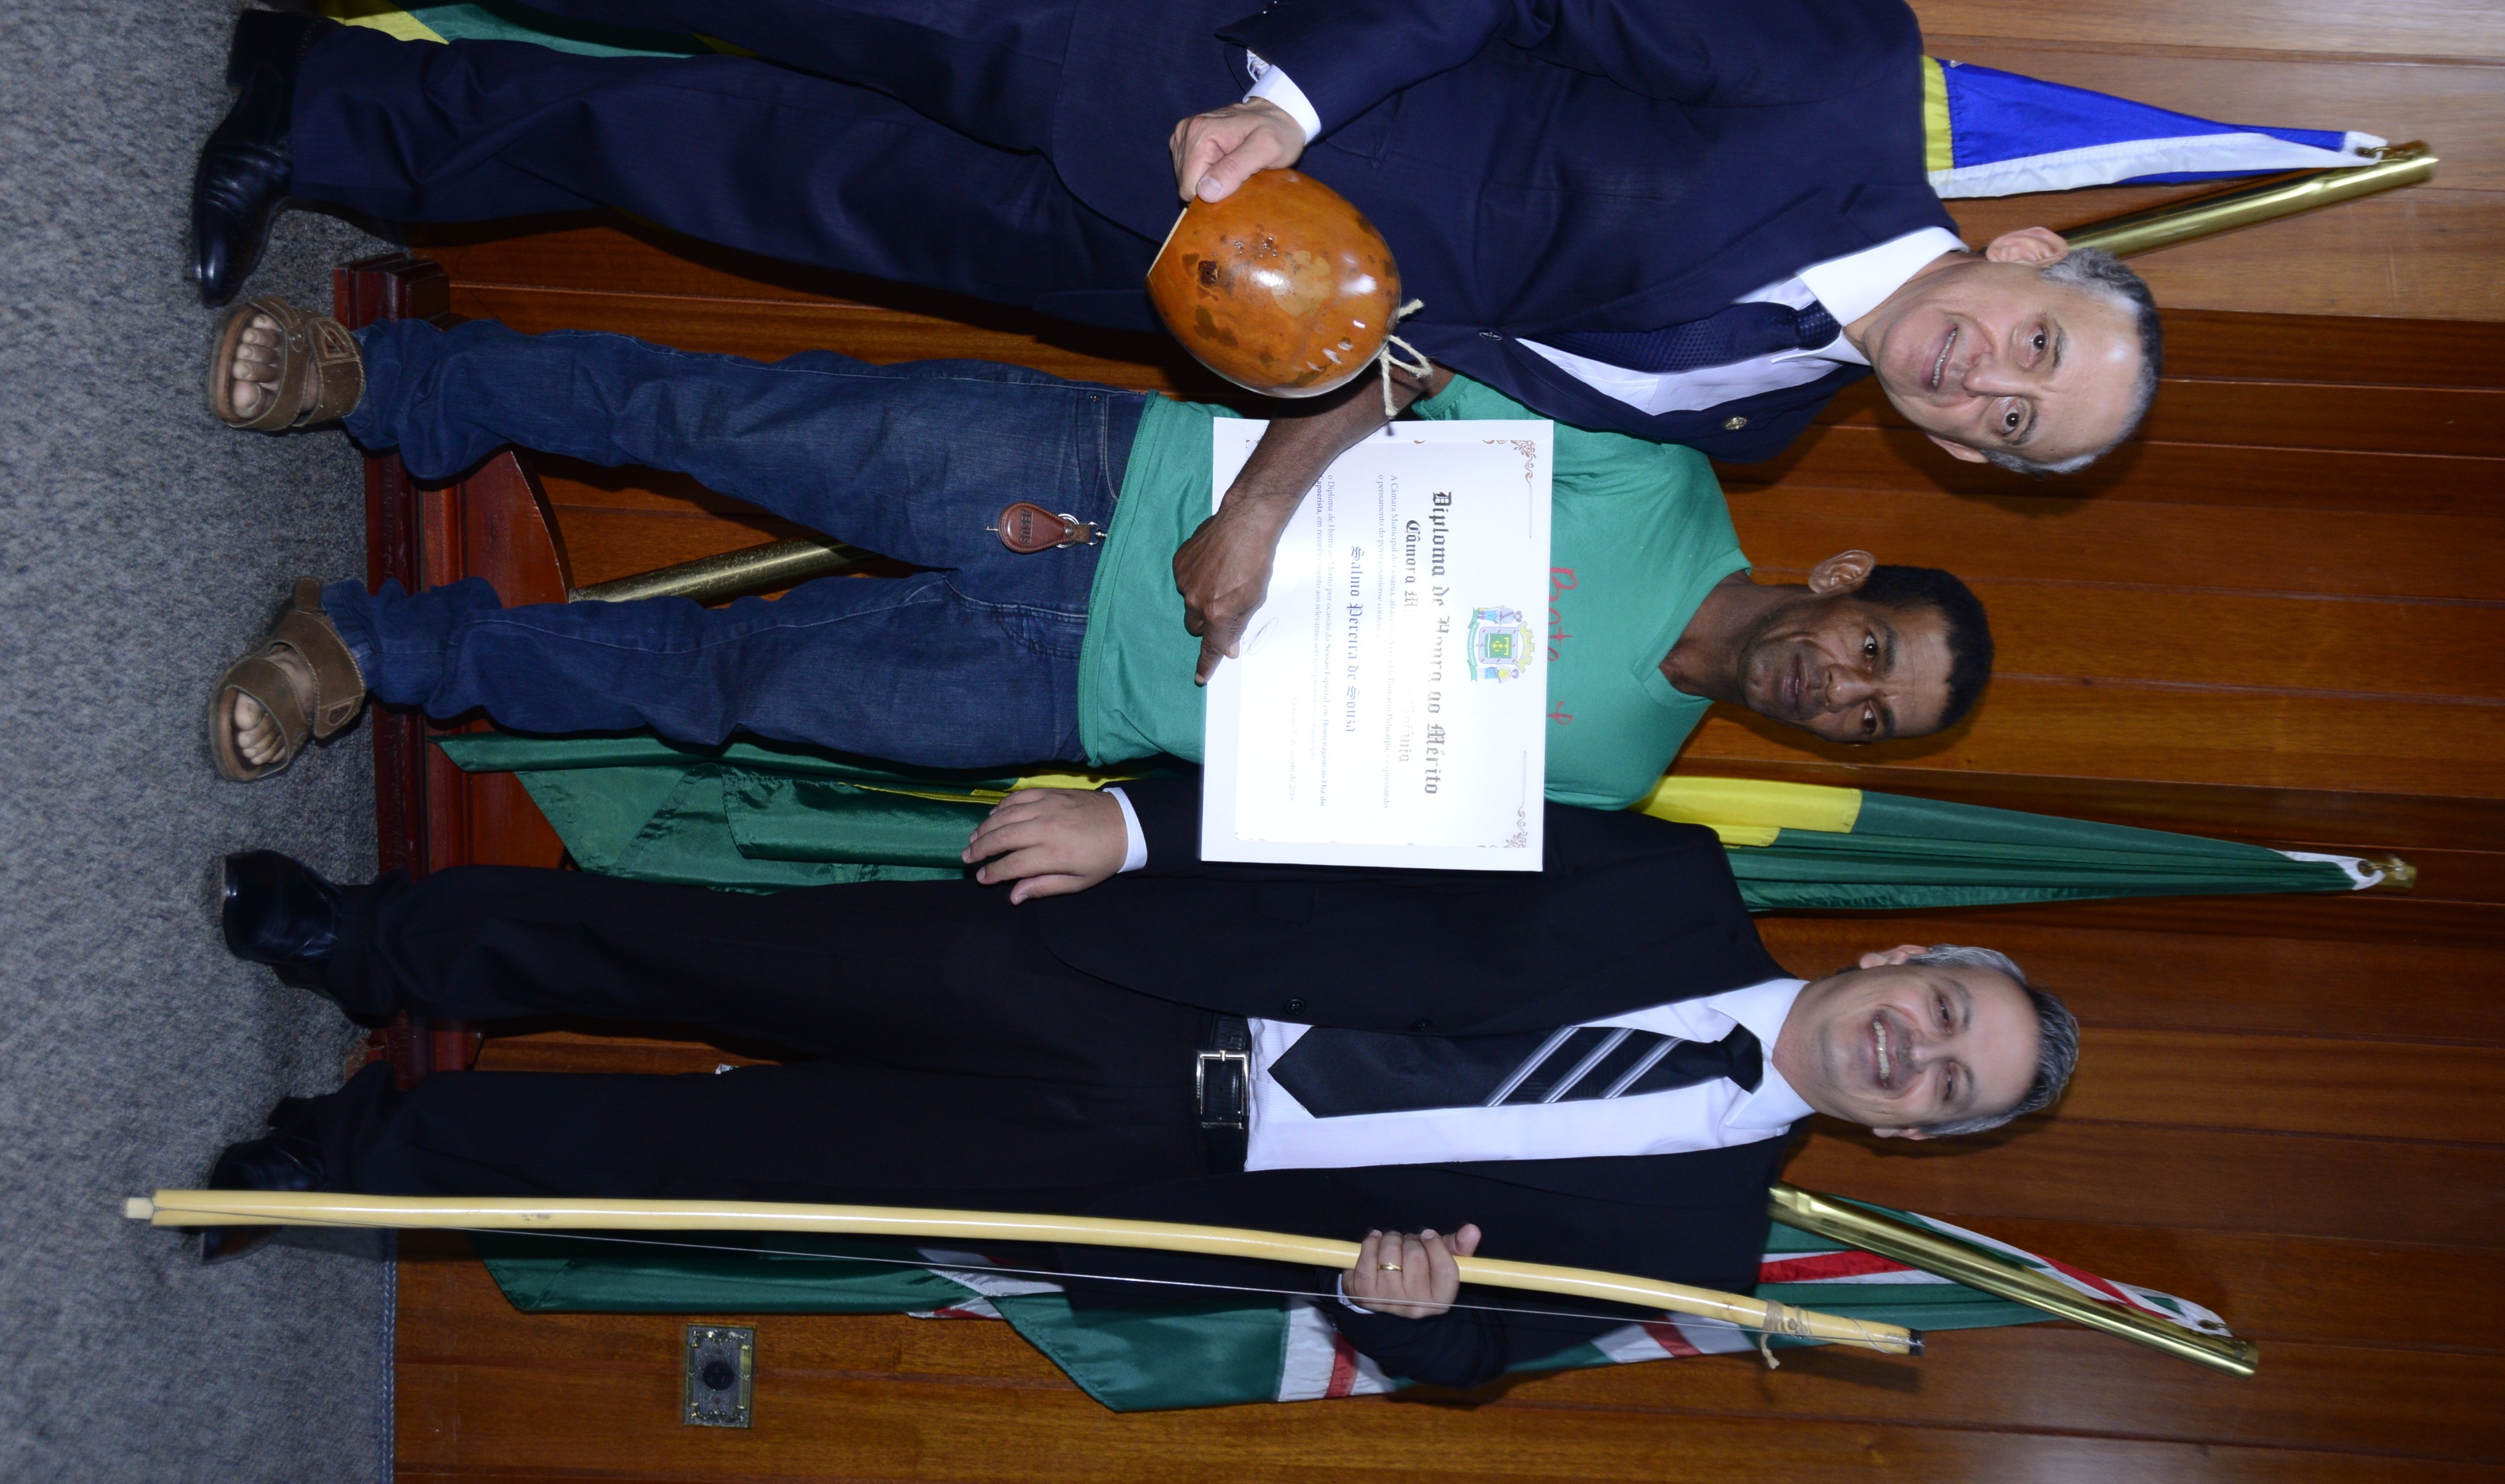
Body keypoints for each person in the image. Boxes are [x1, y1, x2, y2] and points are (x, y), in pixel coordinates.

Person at [76, 0, 2154, 664]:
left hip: (1159, 277)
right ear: (2036, 251)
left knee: (708, 163)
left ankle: (321, 113)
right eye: (2038, 354)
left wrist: (1286, 458)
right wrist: (1294, 106)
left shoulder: (1765, 423)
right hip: (1191, 54)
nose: (1987, 390)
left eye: (2014, 436)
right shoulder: (1843, 79)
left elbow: (1466, 352)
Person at [196, 769, 2079, 1388]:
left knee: (706, 1156)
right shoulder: (1669, 883)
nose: (1913, 1051)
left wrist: (1411, 1312)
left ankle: (348, 1156)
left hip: (1141, 1177)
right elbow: (1383, 819)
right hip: (1126, 966)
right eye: (1941, 1013)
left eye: (1944, 1086)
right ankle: (363, 941)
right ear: (1897, 963)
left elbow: (1474, 1363)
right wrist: (1138, 824)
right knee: (695, 946)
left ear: (1912, 1136)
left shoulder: (1700, 1248)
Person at [201, 305, 1993, 804]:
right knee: (721, 420)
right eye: (1872, 653)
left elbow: (1343, 825)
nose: (1839, 692)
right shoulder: (1663, 480)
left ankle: (377, 653)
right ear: (1847, 580)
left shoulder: (1611, 780)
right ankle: (396, 381)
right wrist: (1258, 514)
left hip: (1075, 695)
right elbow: (1412, 353)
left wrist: (1128, 826)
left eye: (1872, 718)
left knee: (716, 681)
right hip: (1105, 481)